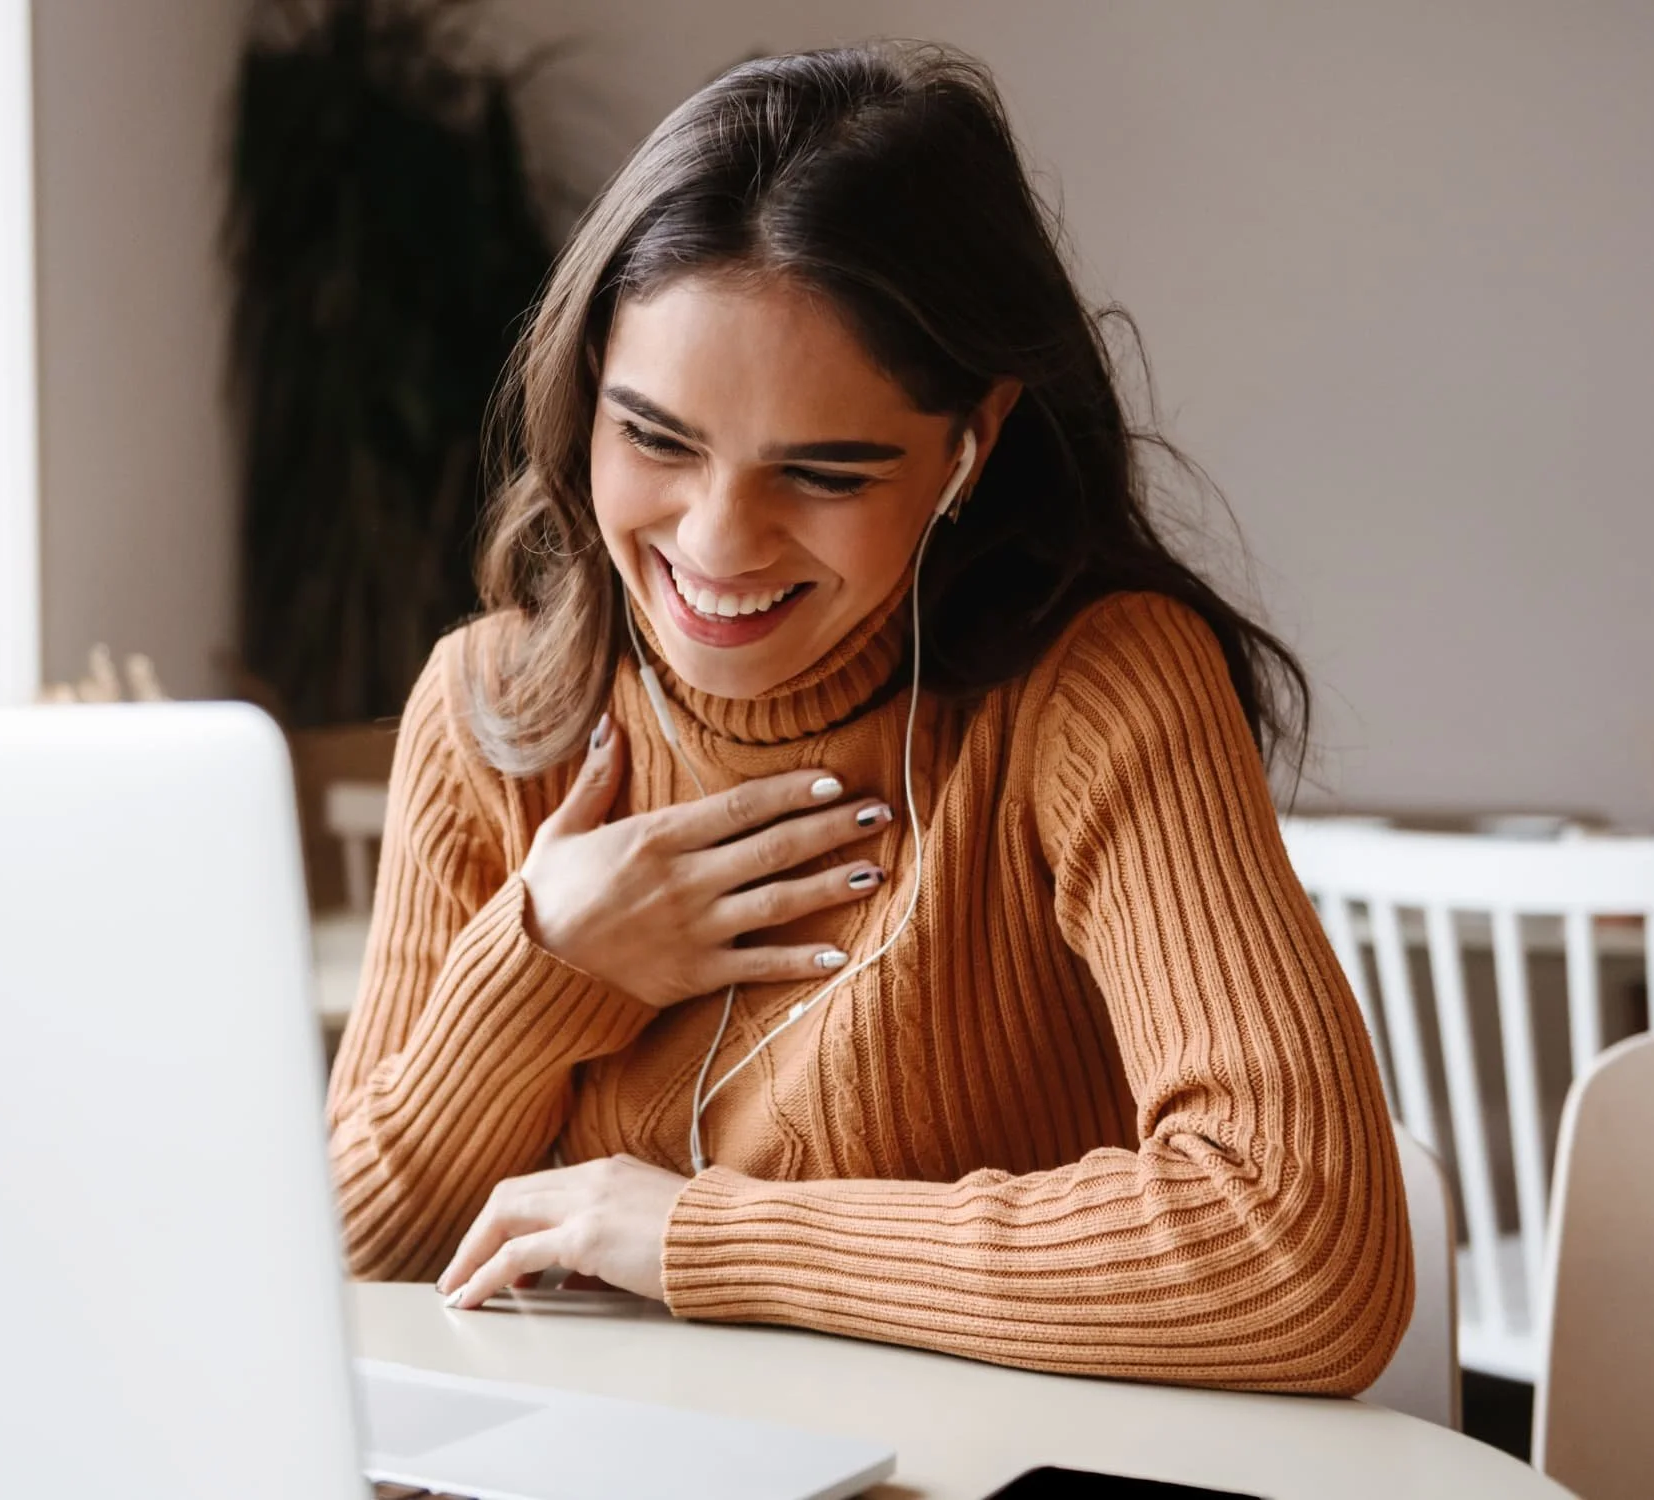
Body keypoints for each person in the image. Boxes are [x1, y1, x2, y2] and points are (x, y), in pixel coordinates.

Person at [326, 41, 1411, 1393]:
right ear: (587, 385)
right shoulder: (495, 708)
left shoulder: (1099, 688)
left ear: (968, 445)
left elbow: (1301, 1253)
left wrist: (703, 1238)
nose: (716, 545)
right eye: (654, 437)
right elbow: (338, 1271)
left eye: (825, 473)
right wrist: (547, 970)